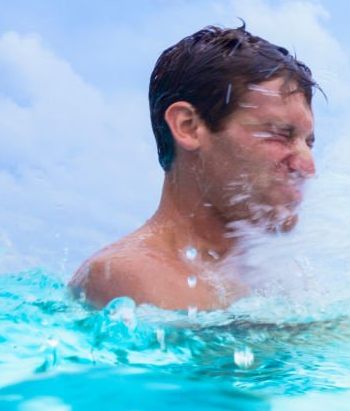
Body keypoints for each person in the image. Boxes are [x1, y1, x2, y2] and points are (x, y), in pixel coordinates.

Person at [69, 25, 319, 311]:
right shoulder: (126, 276)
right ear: (188, 127)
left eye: (309, 143)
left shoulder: (279, 280)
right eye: (278, 134)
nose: (307, 166)